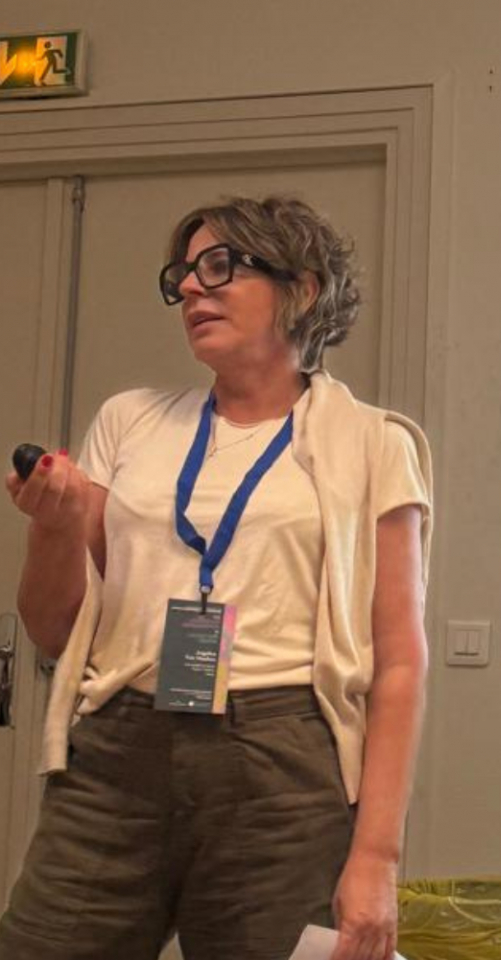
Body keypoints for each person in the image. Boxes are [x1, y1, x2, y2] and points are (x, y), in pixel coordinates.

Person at [0, 195, 432, 960]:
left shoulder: (374, 444)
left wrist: (377, 858)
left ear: (302, 288)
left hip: (281, 762)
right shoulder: (129, 421)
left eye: (220, 266)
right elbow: (54, 629)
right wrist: (54, 526)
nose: (193, 288)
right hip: (116, 750)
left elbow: (399, 662)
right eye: (183, 275)